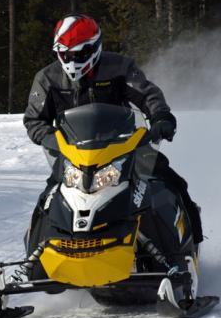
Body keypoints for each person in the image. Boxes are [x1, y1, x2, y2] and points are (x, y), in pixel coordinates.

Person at [22, 14, 203, 249]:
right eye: (66, 54)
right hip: (73, 157)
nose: (72, 60)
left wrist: (161, 117)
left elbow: (147, 94)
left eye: (78, 54)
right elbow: (34, 120)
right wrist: (52, 140)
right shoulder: (47, 78)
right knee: (48, 200)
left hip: (124, 150)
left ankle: (188, 245)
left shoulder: (119, 67)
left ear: (94, 47)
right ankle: (34, 260)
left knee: (170, 182)